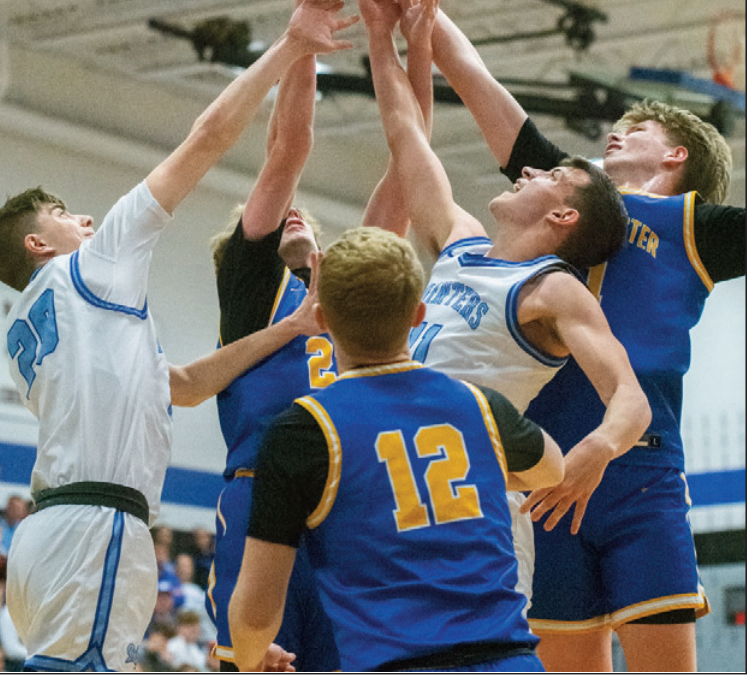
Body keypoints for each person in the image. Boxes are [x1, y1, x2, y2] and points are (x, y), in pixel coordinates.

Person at [0, 0, 358, 673]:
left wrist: (290, 327)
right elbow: (207, 137)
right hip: (93, 526)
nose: (85, 219)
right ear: (38, 243)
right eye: (65, 212)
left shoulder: (48, 324)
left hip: (66, 531)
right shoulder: (93, 266)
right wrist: (291, 45)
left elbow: (184, 386)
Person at [378, 0, 746, 671]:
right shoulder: (561, 189)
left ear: (675, 154)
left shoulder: (694, 224)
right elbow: (473, 77)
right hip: (542, 470)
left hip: (635, 466)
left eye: (633, 128)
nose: (613, 131)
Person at [352, 0, 651, 609]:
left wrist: (596, 450)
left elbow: (630, 398)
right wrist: (385, 36)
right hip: (389, 496)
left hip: (476, 509)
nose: (531, 167)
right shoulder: (458, 242)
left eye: (551, 175)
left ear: (563, 216)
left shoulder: (554, 289)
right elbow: (407, 139)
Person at [204, 0, 425, 672]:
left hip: (350, 503)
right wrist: (302, 38)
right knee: (258, 661)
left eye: (307, 214)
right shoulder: (251, 286)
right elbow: (285, 154)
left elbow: (410, 162)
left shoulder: (353, 290)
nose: (291, 209)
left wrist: (393, 39)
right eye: (265, 216)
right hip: (261, 494)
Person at [229, 226, 566, 672]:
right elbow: (552, 469)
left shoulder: (303, 430)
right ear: (418, 315)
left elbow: (257, 609)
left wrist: (252, 659)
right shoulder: (478, 404)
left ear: (323, 318)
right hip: (510, 661)